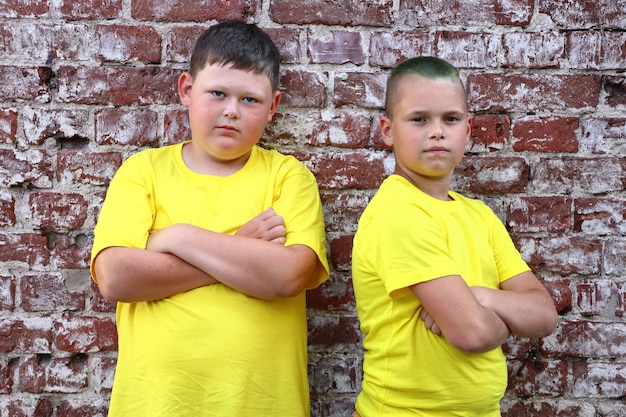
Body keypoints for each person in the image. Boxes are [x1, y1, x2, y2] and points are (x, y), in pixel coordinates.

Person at [90, 20, 329, 417]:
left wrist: (179, 237)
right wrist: (244, 247)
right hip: (156, 405)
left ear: (273, 107)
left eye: (250, 100)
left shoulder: (288, 176)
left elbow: (289, 276)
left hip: (263, 405)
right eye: (217, 93)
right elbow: (115, 277)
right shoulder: (143, 172)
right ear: (187, 89)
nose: (231, 111)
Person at [351, 56, 558, 417]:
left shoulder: (478, 215)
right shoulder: (398, 212)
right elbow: (471, 334)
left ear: (468, 128)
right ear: (387, 129)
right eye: (419, 119)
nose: (437, 131)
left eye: (450, 118)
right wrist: (501, 318)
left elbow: (543, 316)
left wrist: (479, 297)